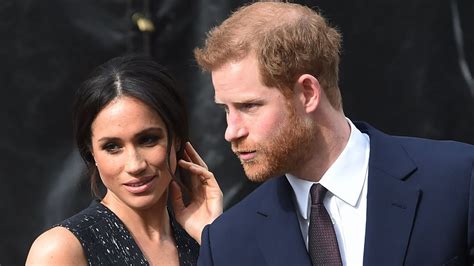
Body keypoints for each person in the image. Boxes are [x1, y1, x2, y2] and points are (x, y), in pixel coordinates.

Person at [194, 2, 474, 265]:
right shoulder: (225, 243)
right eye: (226, 110)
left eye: (249, 106)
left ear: (307, 93)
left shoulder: (458, 180)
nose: (231, 131)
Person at [26, 55, 223, 265]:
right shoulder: (60, 250)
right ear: (91, 152)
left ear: (176, 139)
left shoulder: (203, 238)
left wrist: (214, 238)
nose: (135, 165)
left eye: (148, 140)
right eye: (112, 147)